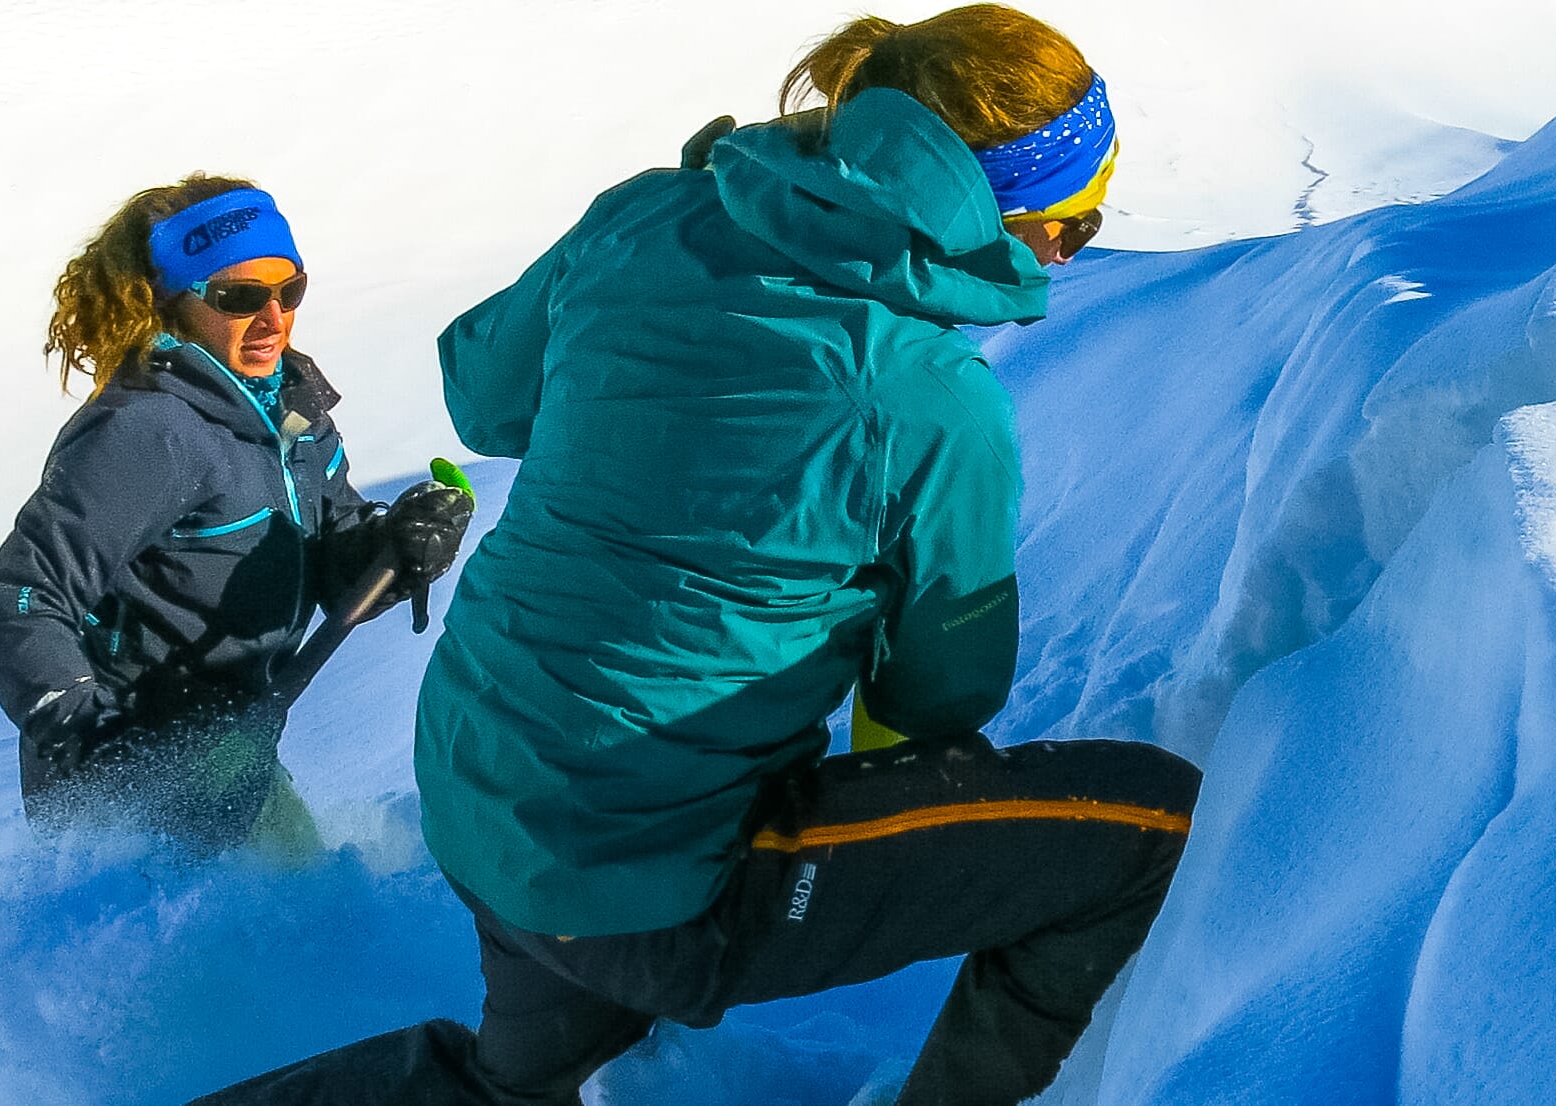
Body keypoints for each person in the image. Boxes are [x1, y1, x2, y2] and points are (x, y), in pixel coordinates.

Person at [195, 6, 1192, 1104]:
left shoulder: (643, 217)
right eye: (1072, 222)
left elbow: (482, 396)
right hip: (650, 868)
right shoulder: (927, 397)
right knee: (1146, 825)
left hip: (484, 788)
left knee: (524, 1062)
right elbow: (939, 695)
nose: (1063, 250)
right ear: (978, 204)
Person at [0, 175, 471, 856]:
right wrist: (98, 740)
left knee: (301, 936)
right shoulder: (149, 431)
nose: (272, 319)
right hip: (128, 792)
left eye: (287, 290)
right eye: (238, 297)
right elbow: (18, 601)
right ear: (173, 304)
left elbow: (329, 563)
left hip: (230, 754)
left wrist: (395, 546)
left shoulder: (289, 413)